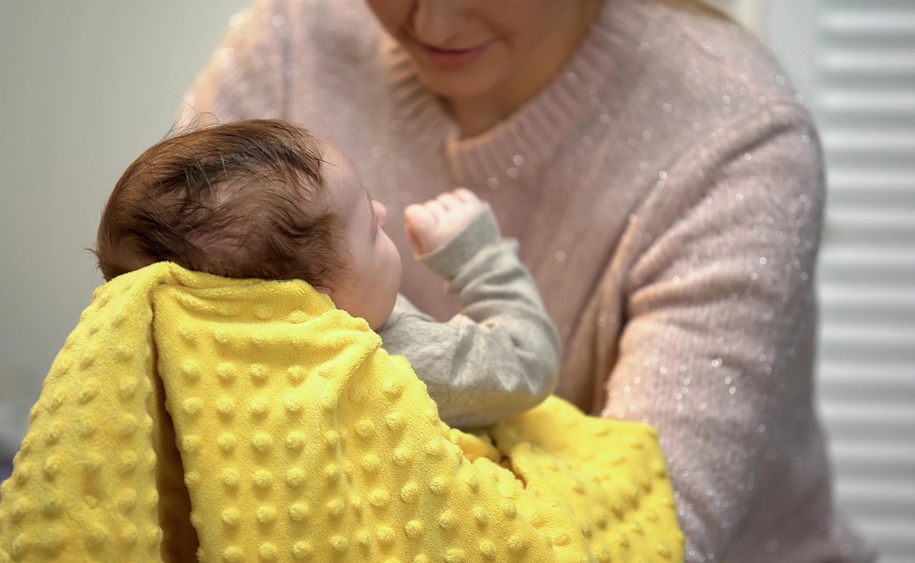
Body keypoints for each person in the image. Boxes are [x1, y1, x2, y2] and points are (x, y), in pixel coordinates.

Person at [174, 0, 876, 560]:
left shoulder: (739, 136)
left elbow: (648, 528)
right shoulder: (289, 40)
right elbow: (172, 344)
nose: (434, 22)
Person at [94, 117, 560, 429]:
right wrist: (478, 259)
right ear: (314, 304)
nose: (382, 210)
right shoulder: (399, 365)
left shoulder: (188, 386)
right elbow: (526, 362)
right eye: (371, 229)